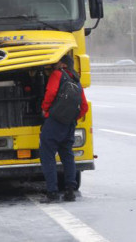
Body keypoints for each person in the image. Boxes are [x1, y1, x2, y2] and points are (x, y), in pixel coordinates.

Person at [39, 54, 88, 203]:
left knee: (47, 155)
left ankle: (52, 192)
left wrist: (45, 109)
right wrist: (71, 118)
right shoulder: (76, 78)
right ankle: (70, 192)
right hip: (69, 123)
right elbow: (84, 106)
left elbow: (51, 93)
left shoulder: (57, 75)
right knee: (67, 156)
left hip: (54, 122)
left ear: (62, 64)